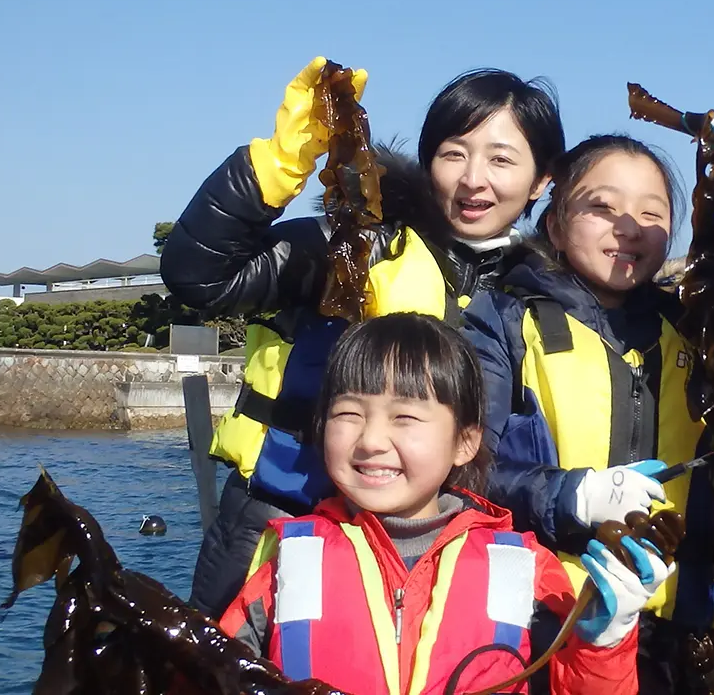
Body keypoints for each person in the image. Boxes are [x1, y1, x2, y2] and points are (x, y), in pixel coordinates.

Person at [160, 57, 566, 617]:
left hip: (445, 555)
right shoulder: (355, 243)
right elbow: (199, 276)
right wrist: (279, 162)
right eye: (454, 153)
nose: (474, 179)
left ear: (542, 180)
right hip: (282, 523)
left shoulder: (547, 295)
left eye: (502, 160)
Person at [219, 312, 666, 695]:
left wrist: (605, 642)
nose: (371, 441)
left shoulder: (526, 566)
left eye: (405, 417)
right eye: (348, 414)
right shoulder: (286, 553)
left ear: (465, 442)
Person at [461, 134, 714, 692]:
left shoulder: (700, 331)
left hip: (678, 628)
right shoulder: (501, 320)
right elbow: (465, 469)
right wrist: (572, 494)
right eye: (602, 206)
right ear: (553, 224)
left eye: (652, 212)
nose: (627, 225)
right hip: (547, 619)